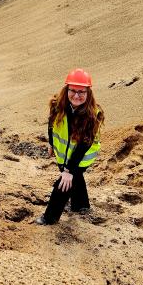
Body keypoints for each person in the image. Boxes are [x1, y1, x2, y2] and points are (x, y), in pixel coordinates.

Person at [36, 68, 105, 225]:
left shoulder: (94, 114)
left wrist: (68, 171)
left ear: (88, 93)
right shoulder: (57, 105)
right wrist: (51, 143)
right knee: (76, 178)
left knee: (64, 182)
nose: (76, 96)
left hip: (81, 156)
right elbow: (51, 124)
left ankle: (49, 218)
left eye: (82, 92)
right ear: (66, 89)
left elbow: (84, 144)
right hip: (63, 154)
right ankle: (81, 206)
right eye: (73, 90)